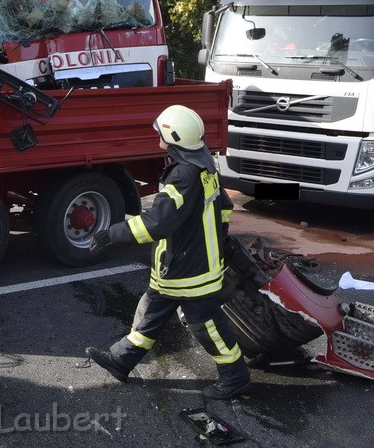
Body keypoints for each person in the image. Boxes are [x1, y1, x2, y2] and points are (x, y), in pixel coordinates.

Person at [84, 105, 251, 400]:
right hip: (179, 266)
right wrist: (214, 239)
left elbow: (157, 223)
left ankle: (235, 376)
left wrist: (111, 234)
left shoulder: (184, 175)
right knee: (152, 315)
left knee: (205, 325)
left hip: (190, 270)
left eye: (160, 132)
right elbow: (223, 208)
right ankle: (122, 360)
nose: (157, 135)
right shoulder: (205, 166)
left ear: (172, 137)